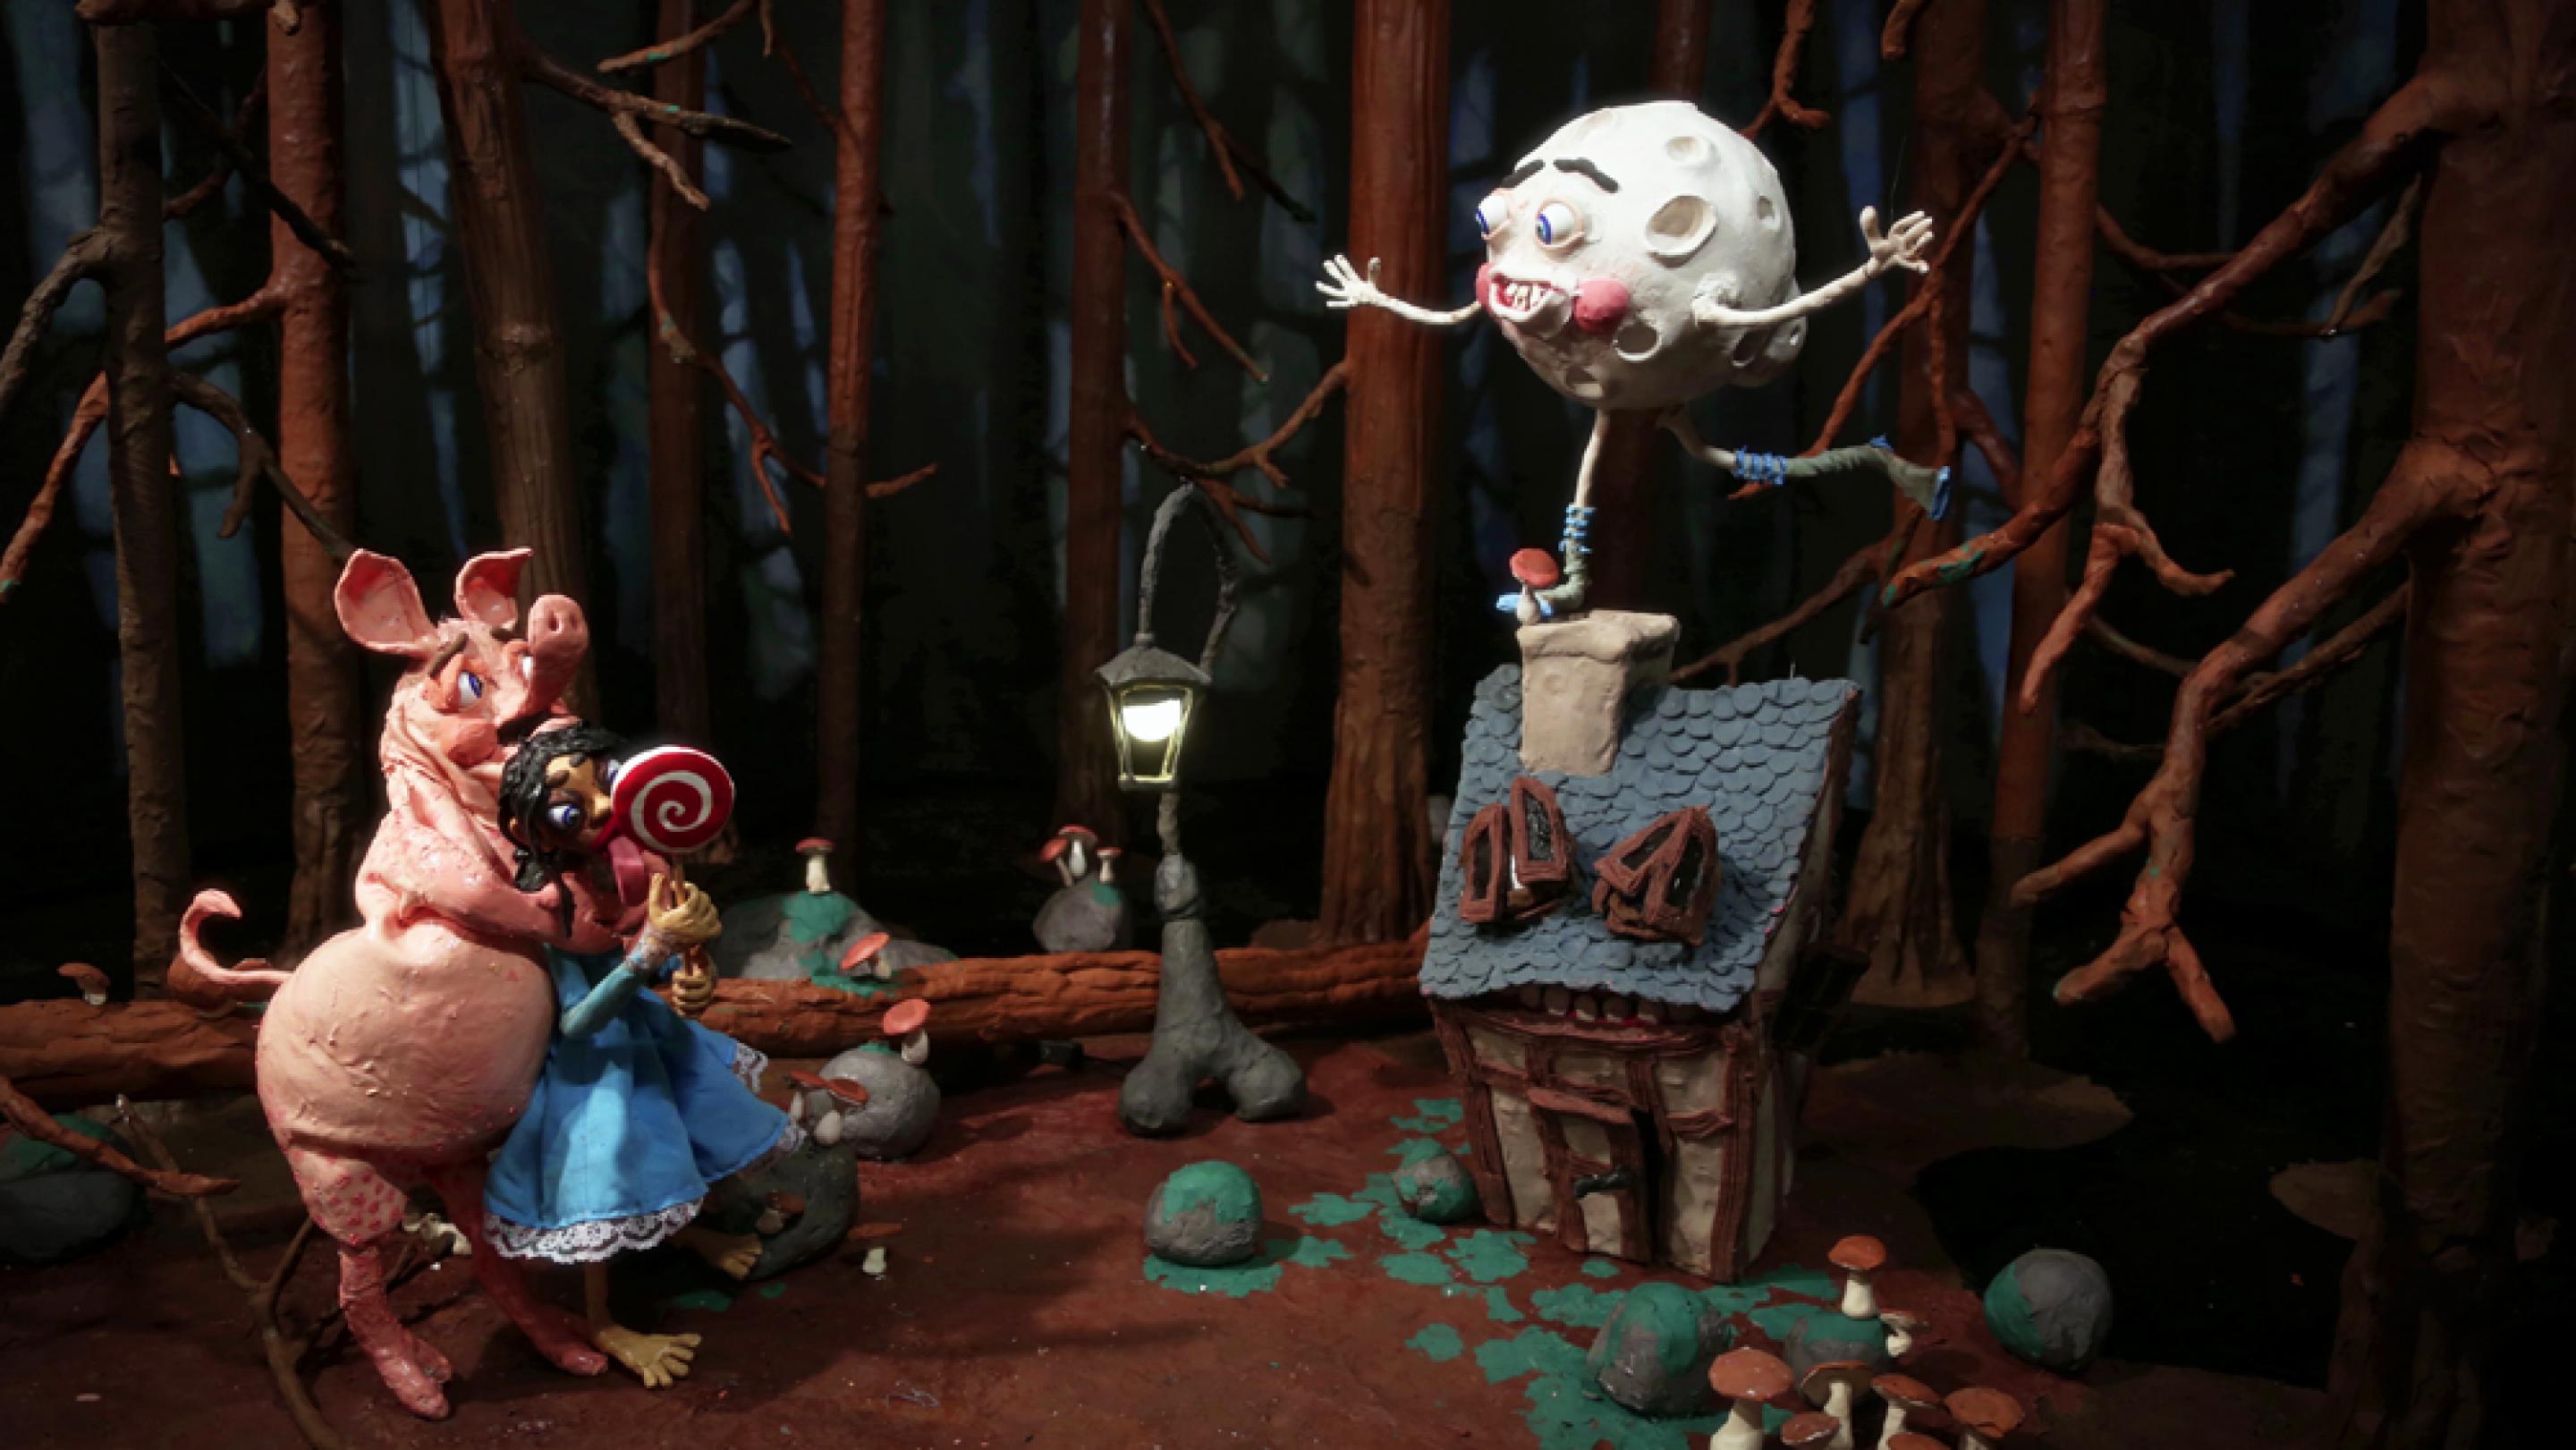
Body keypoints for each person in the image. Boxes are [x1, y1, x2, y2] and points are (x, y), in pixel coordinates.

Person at [485, 723, 800, 1387]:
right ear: (528, 827)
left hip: (645, 1035)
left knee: (686, 1129)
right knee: (606, 1172)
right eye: (571, 808)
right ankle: (602, 1318)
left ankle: (689, 1231)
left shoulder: (627, 870)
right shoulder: (549, 902)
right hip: (590, 1064)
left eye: (606, 784)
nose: (603, 809)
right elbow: (576, 1020)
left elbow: (670, 967)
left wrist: (693, 972)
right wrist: (653, 950)